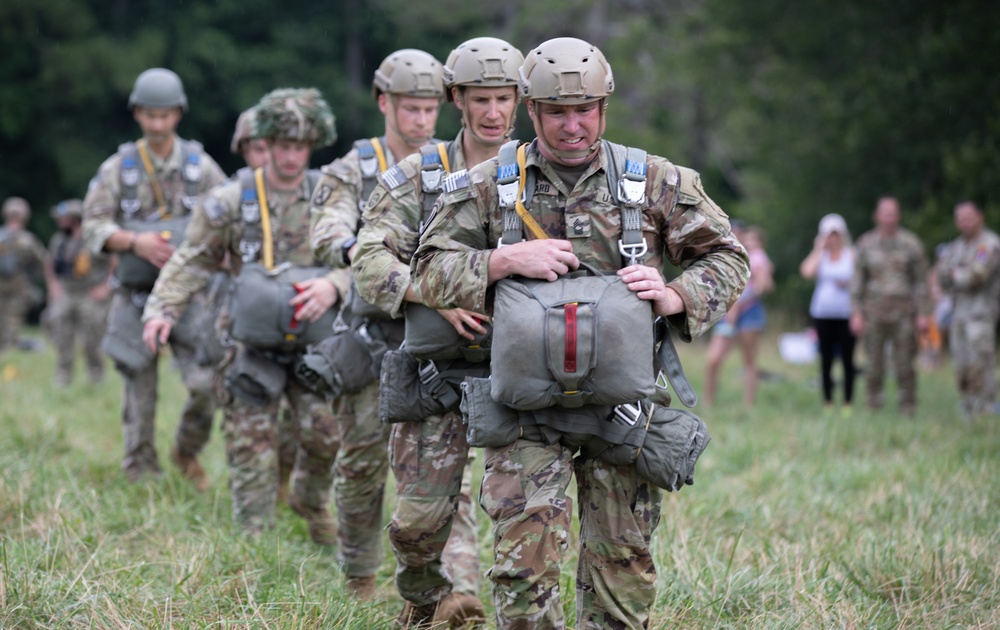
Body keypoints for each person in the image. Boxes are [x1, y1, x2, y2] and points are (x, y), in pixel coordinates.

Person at [411, 37, 748, 629]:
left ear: (603, 109)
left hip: (622, 409)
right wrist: (500, 263)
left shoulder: (650, 182)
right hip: (523, 411)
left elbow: (728, 257)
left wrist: (674, 295)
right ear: (531, 111)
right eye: (557, 112)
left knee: (623, 565)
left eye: (584, 110)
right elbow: (425, 267)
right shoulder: (491, 184)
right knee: (523, 569)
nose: (572, 125)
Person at [347, 37, 524, 626]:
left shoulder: (539, 174)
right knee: (420, 524)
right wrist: (437, 290)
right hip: (434, 370)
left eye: (504, 99)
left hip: (520, 369)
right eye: (481, 99)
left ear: (520, 101)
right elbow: (368, 260)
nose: (493, 112)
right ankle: (423, 598)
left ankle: (470, 602)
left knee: (523, 512)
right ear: (457, 99)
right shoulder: (419, 176)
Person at [142, 87, 345, 542]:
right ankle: (253, 550)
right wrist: (162, 310)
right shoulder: (232, 201)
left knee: (325, 435)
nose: (291, 157)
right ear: (265, 144)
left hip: (316, 344)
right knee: (251, 452)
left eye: (300, 147)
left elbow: (365, 257)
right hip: (249, 346)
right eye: (281, 147)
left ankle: (309, 499)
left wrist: (335, 284)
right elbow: (191, 259)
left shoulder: (332, 198)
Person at [309, 48, 444, 601]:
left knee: (435, 474)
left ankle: (433, 583)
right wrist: (351, 248)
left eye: (430, 108)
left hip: (437, 340)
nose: (420, 120)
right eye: (411, 108)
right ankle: (359, 576)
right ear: (384, 103)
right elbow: (326, 226)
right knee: (363, 467)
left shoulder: (453, 163)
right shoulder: (354, 167)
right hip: (372, 342)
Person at [83, 68, 228, 485]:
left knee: (207, 382)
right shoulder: (118, 169)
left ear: (179, 114)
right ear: (137, 115)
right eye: (150, 116)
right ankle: (140, 471)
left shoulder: (202, 168)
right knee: (138, 389)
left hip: (188, 297)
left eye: (165, 115)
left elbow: (229, 215)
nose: (159, 124)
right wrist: (132, 241)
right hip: (133, 295)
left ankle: (187, 448)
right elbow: (92, 225)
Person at [850, 196, 930, 415]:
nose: (890, 218)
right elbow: (857, 281)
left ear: (899, 215)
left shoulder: (911, 244)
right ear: (876, 216)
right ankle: (873, 404)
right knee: (874, 363)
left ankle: (908, 406)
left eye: (893, 213)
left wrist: (924, 313)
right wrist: (856, 313)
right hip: (874, 314)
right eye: (885, 213)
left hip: (904, 313)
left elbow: (922, 281)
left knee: (905, 363)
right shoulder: (865, 244)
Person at [936, 201, 1000, 420]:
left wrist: (957, 274)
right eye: (960, 218)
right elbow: (942, 276)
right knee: (962, 367)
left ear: (980, 217)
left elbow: (977, 277)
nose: (964, 222)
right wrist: (958, 274)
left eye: (968, 217)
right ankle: (969, 409)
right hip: (959, 316)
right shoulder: (956, 247)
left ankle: (985, 410)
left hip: (980, 316)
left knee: (980, 364)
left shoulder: (988, 245)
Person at [43, 199, 114, 387]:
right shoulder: (59, 240)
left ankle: (96, 378)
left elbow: (114, 262)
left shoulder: (93, 239)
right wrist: (53, 286)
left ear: (75, 219)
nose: (59, 222)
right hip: (67, 292)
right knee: (62, 337)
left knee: (92, 339)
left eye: (63, 218)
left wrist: (106, 287)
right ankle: (62, 378)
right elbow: (49, 263)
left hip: (88, 294)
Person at [704, 224, 774, 406]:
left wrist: (738, 302)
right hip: (729, 313)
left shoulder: (756, 257)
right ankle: (708, 401)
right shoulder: (728, 257)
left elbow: (762, 286)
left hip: (749, 313)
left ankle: (748, 405)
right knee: (714, 359)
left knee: (749, 360)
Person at [800, 213, 856, 413]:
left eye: (835, 234)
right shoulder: (821, 256)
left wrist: (847, 284)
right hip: (822, 313)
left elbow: (861, 281)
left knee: (848, 359)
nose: (832, 238)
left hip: (846, 313)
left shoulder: (851, 254)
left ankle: (848, 402)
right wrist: (818, 249)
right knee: (826, 358)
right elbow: (806, 272)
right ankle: (828, 401)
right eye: (828, 234)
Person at [0, 197, 47, 354]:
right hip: (18, 290)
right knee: (11, 326)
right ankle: (7, 356)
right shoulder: (28, 240)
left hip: (12, 290)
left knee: (7, 327)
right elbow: (44, 263)